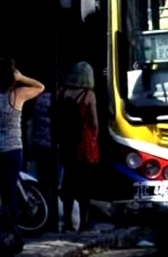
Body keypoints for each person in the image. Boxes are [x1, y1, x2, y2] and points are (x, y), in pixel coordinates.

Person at [0, 58, 44, 232]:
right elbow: (40, 87)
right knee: (10, 194)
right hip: (13, 151)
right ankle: (13, 233)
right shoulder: (16, 96)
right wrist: (21, 77)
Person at [58, 62, 99, 233]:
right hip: (84, 143)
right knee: (84, 186)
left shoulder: (62, 92)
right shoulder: (89, 95)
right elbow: (94, 122)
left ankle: (67, 222)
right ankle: (84, 223)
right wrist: (93, 139)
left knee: (68, 183)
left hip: (67, 143)